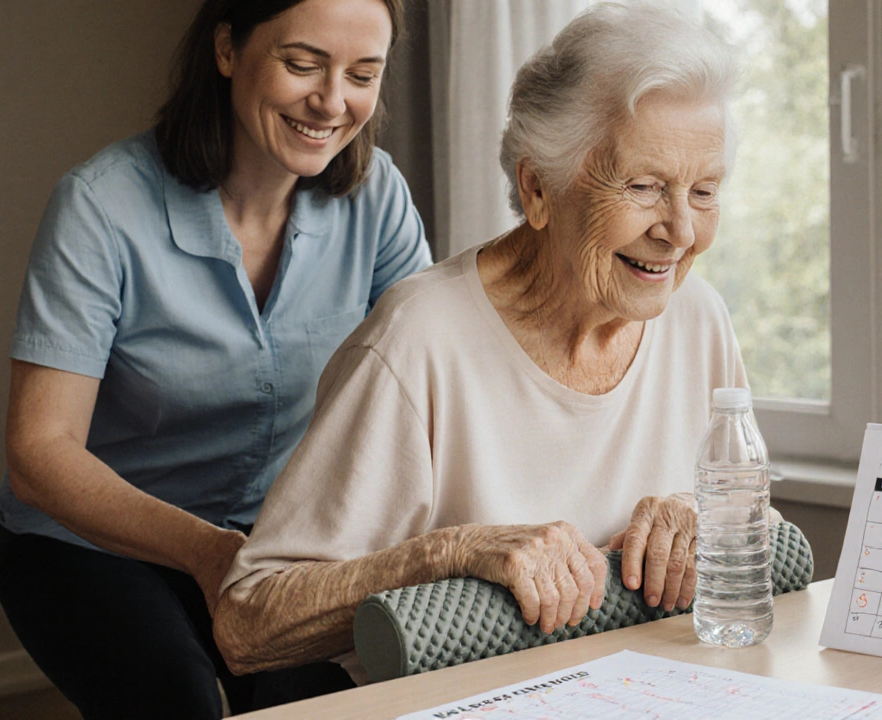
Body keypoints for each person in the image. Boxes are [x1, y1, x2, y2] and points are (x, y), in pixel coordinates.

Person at [213, 2, 776, 681]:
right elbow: (248, 622)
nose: (680, 231)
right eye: (644, 186)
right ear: (537, 188)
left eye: (705, 192)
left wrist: (698, 518)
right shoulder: (418, 341)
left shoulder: (698, 318)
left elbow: (752, 529)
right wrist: (443, 554)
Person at [0, 0, 429, 717]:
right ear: (226, 49)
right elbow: (39, 453)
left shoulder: (376, 196)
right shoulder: (99, 207)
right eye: (303, 64)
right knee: (179, 700)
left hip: (277, 545)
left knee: (329, 696)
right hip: (90, 545)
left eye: (362, 75)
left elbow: (428, 386)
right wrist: (208, 553)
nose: (331, 101)